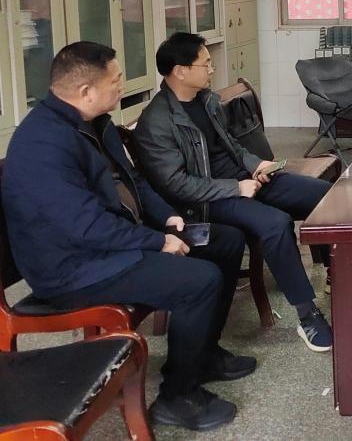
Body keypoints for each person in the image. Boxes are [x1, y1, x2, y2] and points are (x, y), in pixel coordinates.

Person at [1, 42, 252, 431]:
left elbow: (134, 181)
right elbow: (83, 226)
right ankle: (177, 396)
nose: (122, 86)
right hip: (73, 268)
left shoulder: (97, 122)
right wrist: (156, 241)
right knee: (199, 281)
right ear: (86, 91)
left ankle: (203, 355)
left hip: (112, 241)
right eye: (116, 80)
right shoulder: (42, 143)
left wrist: (167, 218)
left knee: (226, 241)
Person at [133, 32, 333, 352]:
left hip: (246, 180)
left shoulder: (207, 101)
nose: (211, 69)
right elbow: (176, 184)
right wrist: (235, 187)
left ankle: (336, 271)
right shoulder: (157, 122)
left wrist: (256, 165)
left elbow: (233, 147)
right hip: (208, 200)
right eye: (205, 63)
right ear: (180, 71)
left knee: (328, 196)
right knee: (275, 223)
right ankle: (307, 315)